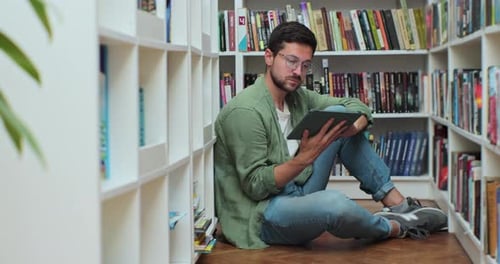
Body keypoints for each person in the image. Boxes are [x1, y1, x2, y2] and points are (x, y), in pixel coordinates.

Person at [213, 21, 447, 250]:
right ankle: (396, 226)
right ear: (269, 57)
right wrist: (304, 158)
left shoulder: (297, 97)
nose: (298, 72)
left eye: (305, 65)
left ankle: (398, 205)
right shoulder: (245, 111)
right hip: (263, 213)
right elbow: (255, 186)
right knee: (335, 204)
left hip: (298, 187)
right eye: (291, 61)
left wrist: (353, 127)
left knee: (339, 114)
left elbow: (356, 105)